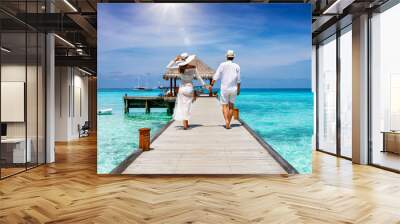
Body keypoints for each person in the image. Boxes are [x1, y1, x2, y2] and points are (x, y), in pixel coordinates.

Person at [166, 53, 209, 130]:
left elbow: (168, 67)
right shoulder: (193, 68)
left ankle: (185, 124)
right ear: (188, 60)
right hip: (189, 89)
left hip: (182, 89)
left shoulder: (180, 68)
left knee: (182, 106)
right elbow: (199, 78)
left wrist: (175, 60)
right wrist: (205, 85)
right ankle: (186, 123)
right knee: (187, 106)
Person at [209, 50, 241, 129]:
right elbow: (239, 80)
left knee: (224, 106)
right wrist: (238, 90)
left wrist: (211, 85)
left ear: (226, 57)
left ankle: (226, 121)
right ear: (233, 57)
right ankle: (229, 123)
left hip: (224, 89)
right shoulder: (237, 66)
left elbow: (216, 76)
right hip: (233, 89)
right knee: (231, 106)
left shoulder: (222, 65)